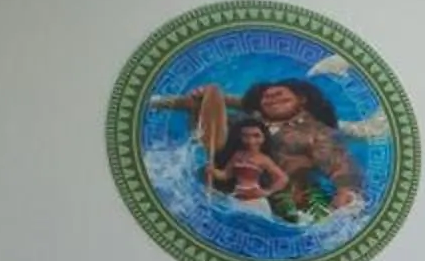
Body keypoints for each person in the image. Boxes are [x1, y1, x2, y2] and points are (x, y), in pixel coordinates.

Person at [150, 73, 366, 223]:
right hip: (229, 192)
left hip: (281, 207)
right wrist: (202, 100)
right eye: (266, 97)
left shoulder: (316, 132)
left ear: (301, 99)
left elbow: (339, 163)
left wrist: (346, 191)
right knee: (210, 113)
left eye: (280, 94)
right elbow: (209, 130)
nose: (272, 99)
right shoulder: (248, 122)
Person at [207, 119, 290, 205]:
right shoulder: (237, 155)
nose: (251, 140)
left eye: (256, 136)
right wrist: (213, 171)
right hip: (237, 196)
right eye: (245, 136)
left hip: (254, 198)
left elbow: (283, 178)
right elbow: (226, 175)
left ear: (264, 138)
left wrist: (267, 192)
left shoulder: (264, 159)